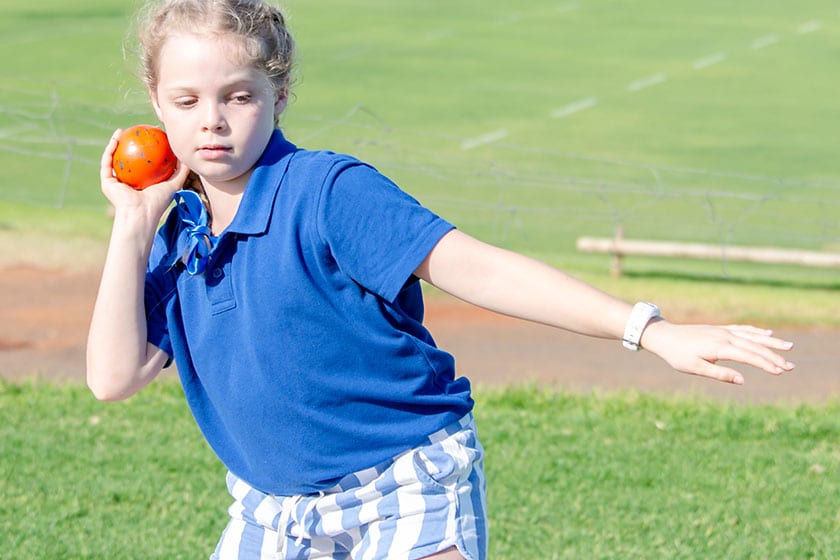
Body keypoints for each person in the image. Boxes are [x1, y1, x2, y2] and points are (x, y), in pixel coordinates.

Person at [86, 1, 795, 558]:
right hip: (272, 508)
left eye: (238, 96)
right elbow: (112, 377)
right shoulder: (173, 232)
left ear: (278, 92)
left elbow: (478, 267)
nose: (211, 122)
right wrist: (135, 220)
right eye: (186, 101)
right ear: (153, 101)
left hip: (402, 485)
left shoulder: (328, 192)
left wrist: (648, 329)